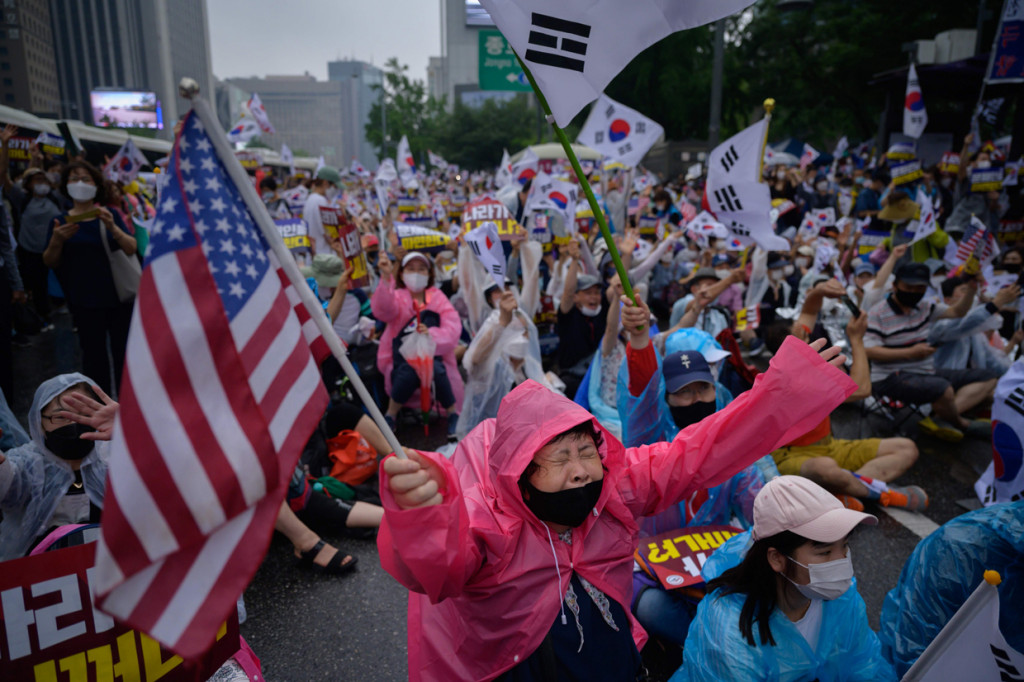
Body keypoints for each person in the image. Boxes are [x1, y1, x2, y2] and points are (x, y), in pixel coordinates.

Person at [377, 326, 857, 681]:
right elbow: (437, 569)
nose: (581, 470)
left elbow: (702, 449)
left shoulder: (617, 486)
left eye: (587, 451)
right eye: (559, 458)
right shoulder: (490, 520)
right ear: (520, 472)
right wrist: (425, 514)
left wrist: (782, 392)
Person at [674, 476, 896, 681]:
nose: (842, 561)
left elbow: (864, 666)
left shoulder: (842, 599)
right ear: (777, 559)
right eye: (825, 553)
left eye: (845, 546)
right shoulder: (731, 633)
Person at [767, 279, 926, 512]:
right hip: (790, 456)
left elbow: (809, 311)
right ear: (789, 349)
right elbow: (862, 389)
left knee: (906, 448)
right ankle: (883, 495)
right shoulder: (788, 380)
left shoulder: (796, 356)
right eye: (802, 337)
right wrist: (857, 339)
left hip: (830, 446)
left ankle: (845, 495)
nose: (807, 335)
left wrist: (820, 291)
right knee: (827, 469)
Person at [865, 262, 996, 442]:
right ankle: (960, 423)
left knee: (989, 377)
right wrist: (910, 353)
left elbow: (957, 312)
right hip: (890, 376)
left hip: (925, 370)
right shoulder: (877, 313)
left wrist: (972, 289)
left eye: (919, 288)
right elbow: (869, 351)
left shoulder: (925, 307)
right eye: (908, 287)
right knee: (943, 389)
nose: (913, 292)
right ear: (895, 286)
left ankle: (939, 419)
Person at [42, 161, 137, 395]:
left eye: (86, 179)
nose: (80, 184)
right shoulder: (59, 221)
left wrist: (113, 227)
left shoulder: (109, 214)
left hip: (117, 299)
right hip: (84, 302)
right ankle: (101, 412)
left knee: (124, 357)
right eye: (74, 179)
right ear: (66, 185)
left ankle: (128, 411)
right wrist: (57, 240)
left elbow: (131, 247)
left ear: (96, 185)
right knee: (94, 360)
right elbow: (50, 261)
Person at [0, 373, 115, 560]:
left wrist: (133, 429)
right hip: (43, 575)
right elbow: (7, 486)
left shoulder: (115, 455)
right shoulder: (30, 463)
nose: (73, 423)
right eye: (60, 417)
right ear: (40, 424)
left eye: (83, 414)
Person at [371, 250, 463, 441]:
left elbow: (453, 328)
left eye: (421, 269)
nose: (416, 273)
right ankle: (391, 415)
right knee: (409, 371)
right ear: (402, 273)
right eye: (411, 269)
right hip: (401, 359)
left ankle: (453, 414)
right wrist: (386, 278)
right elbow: (384, 310)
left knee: (436, 370)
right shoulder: (396, 296)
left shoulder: (437, 297)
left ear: (429, 274)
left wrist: (431, 335)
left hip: (433, 357)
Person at [302, 166, 341, 255]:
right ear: (325, 183)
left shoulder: (310, 199)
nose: (336, 190)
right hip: (324, 254)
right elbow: (327, 231)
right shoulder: (321, 201)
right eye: (334, 186)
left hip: (315, 253)